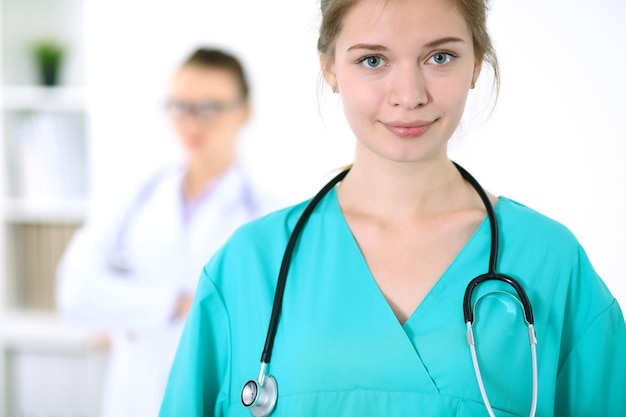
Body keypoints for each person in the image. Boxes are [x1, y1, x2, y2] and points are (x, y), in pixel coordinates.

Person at [159, 1, 626, 416]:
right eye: (373, 60)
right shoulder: (249, 264)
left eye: (439, 57)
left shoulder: (549, 261)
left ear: (477, 62)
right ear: (330, 68)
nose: (409, 94)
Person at [56, 47, 280, 417]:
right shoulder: (135, 196)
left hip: (217, 398)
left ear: (244, 111)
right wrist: (178, 303)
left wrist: (129, 306)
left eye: (209, 107)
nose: (192, 121)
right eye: (180, 105)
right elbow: (75, 291)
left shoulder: (267, 214)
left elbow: (262, 321)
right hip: (133, 398)